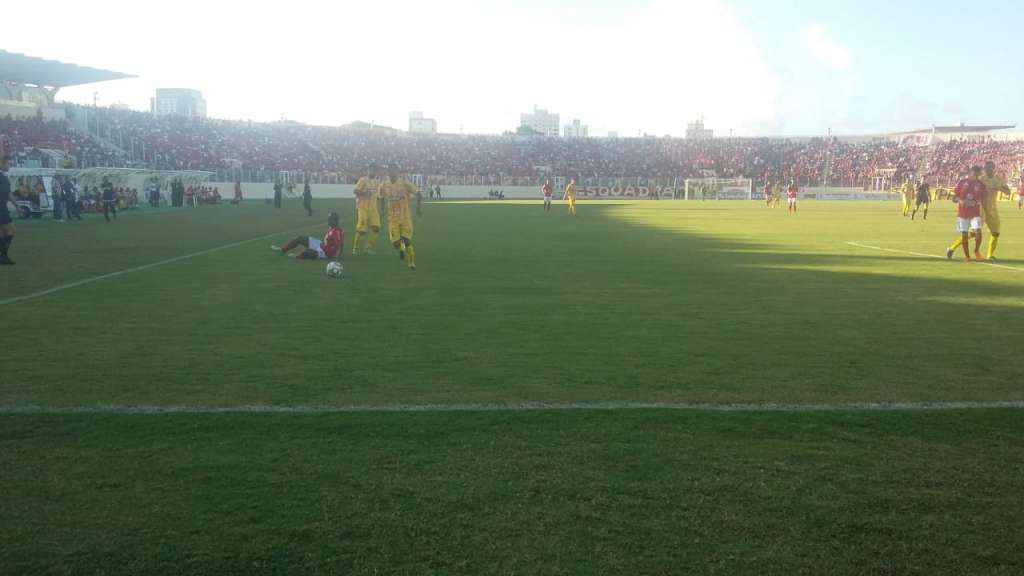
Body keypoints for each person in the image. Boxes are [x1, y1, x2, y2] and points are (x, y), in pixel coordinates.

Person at [381, 166, 417, 269]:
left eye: (395, 169)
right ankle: (401, 247)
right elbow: (381, 197)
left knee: (407, 240)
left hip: (405, 217)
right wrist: (382, 209)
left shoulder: (404, 182)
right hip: (392, 218)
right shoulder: (384, 184)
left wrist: (418, 207)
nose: (393, 171)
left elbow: (417, 192)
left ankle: (411, 262)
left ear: (398, 171)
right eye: (391, 170)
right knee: (396, 244)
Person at [946, 166, 986, 262]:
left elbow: (984, 196)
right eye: (975, 172)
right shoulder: (962, 182)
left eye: (978, 173)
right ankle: (967, 256)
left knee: (978, 232)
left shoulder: (980, 184)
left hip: (975, 212)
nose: (976, 175)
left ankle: (976, 250)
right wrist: (961, 201)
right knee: (964, 235)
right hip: (963, 213)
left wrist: (978, 201)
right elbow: (954, 198)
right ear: (971, 172)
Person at [271, 211, 344, 260]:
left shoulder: (337, 231)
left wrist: (337, 259)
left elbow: (340, 246)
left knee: (306, 252)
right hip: (321, 244)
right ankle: (283, 250)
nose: (328, 220)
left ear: (334, 220)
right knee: (300, 238)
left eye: (330, 219)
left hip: (325, 253)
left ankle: (297, 257)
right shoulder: (332, 227)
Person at [978, 160, 1009, 260]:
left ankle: (989, 255)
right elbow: (976, 192)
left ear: (993, 169)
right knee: (972, 233)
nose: (988, 170)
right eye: (986, 169)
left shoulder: (999, 179)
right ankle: (952, 248)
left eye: (990, 168)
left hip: (992, 210)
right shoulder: (980, 179)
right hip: (981, 209)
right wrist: (985, 191)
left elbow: (1008, 192)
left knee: (995, 233)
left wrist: (1001, 188)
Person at [352, 165, 383, 255]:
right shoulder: (363, 180)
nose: (373, 171)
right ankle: (355, 248)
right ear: (368, 170)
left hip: (373, 209)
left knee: (376, 228)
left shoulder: (377, 182)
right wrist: (364, 193)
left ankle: (368, 247)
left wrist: (381, 208)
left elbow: (378, 197)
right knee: (361, 230)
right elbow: (355, 191)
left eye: (374, 170)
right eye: (371, 169)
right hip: (363, 207)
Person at [0, 156, 16, 265]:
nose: (10, 166)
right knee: (11, 230)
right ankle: (3, 256)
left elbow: (9, 193)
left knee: (4, 231)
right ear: (2, 164)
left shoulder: (3, 176)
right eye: (8, 164)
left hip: (3, 206)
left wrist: (17, 206)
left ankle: (3, 256)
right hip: (0, 207)